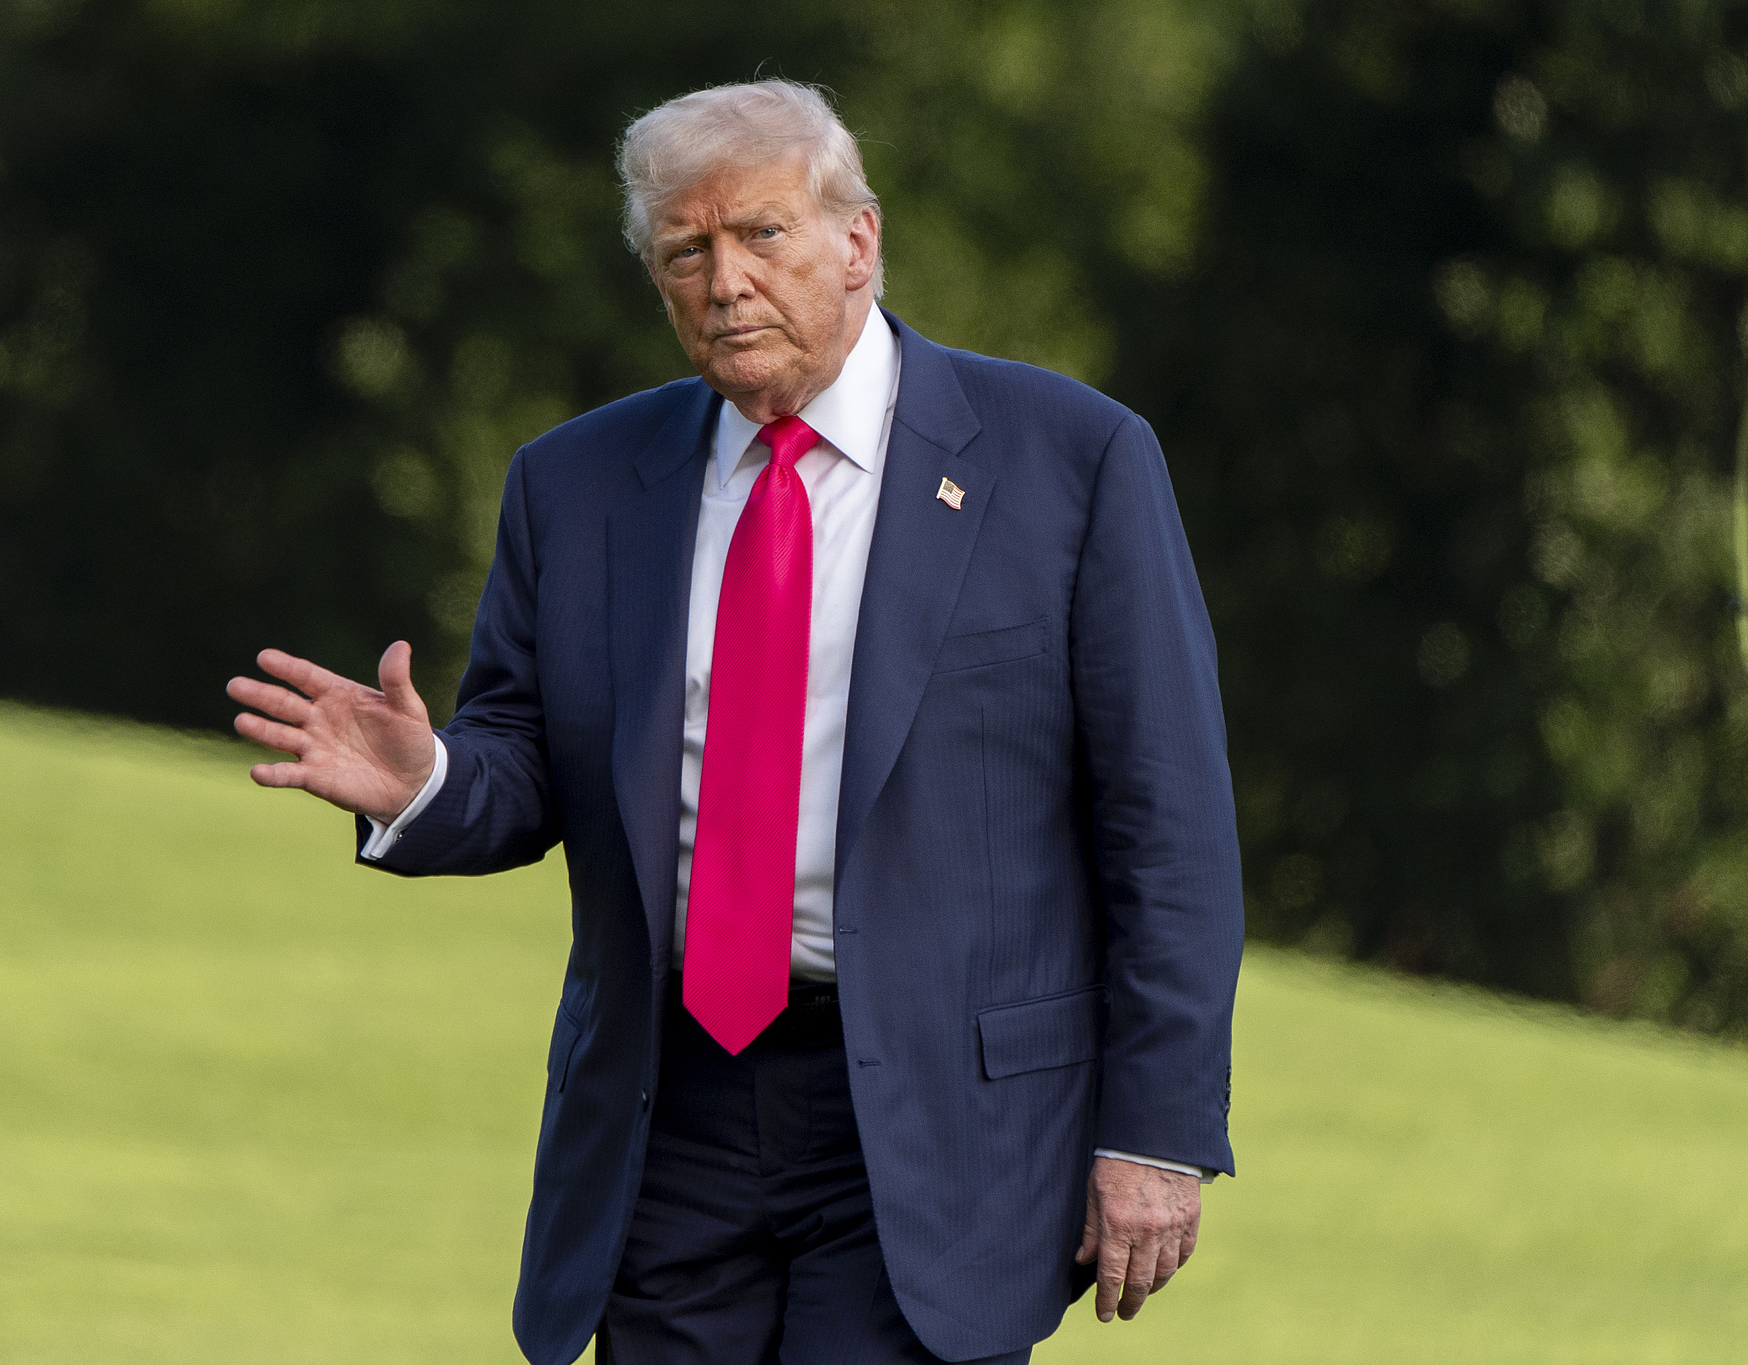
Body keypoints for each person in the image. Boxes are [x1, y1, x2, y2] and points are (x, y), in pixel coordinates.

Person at [228, 79, 1242, 1365]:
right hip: (671, 1107)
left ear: (857, 241)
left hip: (939, 1120)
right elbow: (528, 762)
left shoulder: (1071, 460)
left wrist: (1154, 1132)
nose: (723, 282)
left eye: (759, 235)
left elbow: (1168, 823)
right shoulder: (577, 483)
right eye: (683, 252)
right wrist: (428, 780)